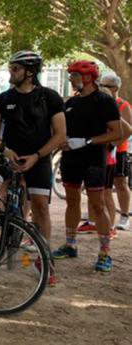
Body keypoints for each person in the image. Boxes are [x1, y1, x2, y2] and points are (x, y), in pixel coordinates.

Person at [0, 51, 66, 286]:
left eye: (15, 69)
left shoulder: (50, 97)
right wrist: (5, 150)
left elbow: (61, 134)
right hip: (8, 154)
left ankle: (44, 259)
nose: (10, 73)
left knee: (40, 207)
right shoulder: (3, 99)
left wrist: (37, 156)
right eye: (10, 68)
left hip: (38, 157)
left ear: (30, 72)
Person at [53, 60, 129, 273]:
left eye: (74, 76)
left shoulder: (104, 100)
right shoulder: (71, 102)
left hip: (95, 160)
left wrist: (86, 141)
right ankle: (70, 244)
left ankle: (105, 253)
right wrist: (63, 140)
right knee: (72, 201)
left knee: (97, 205)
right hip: (71, 159)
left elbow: (118, 133)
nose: (71, 79)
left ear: (87, 77)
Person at [101, 74, 132, 231]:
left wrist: (113, 145)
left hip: (118, 150)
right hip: (103, 150)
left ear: (116, 88)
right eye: (102, 85)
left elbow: (127, 130)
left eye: (106, 85)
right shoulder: (102, 103)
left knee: (120, 183)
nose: (103, 88)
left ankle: (124, 216)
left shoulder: (123, 105)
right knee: (104, 187)